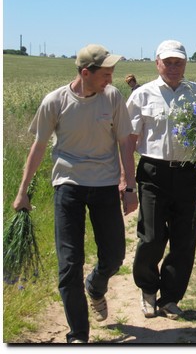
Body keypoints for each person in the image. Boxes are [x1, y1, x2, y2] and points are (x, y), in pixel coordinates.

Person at [12, 44, 138, 343]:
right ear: (86, 73)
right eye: (106, 73)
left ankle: (95, 286)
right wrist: (22, 192)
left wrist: (130, 186)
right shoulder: (55, 101)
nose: (111, 78)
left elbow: (124, 143)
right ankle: (78, 335)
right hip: (67, 185)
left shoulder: (113, 97)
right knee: (69, 263)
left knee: (114, 256)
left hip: (105, 185)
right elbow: (39, 146)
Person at [124, 39, 196, 320]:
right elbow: (128, 142)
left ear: (185, 64)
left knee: (184, 239)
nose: (174, 67)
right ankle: (148, 290)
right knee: (151, 237)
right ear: (157, 63)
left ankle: (170, 297)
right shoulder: (142, 95)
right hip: (153, 172)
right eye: (168, 62)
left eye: (178, 62)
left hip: (189, 173)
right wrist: (125, 179)